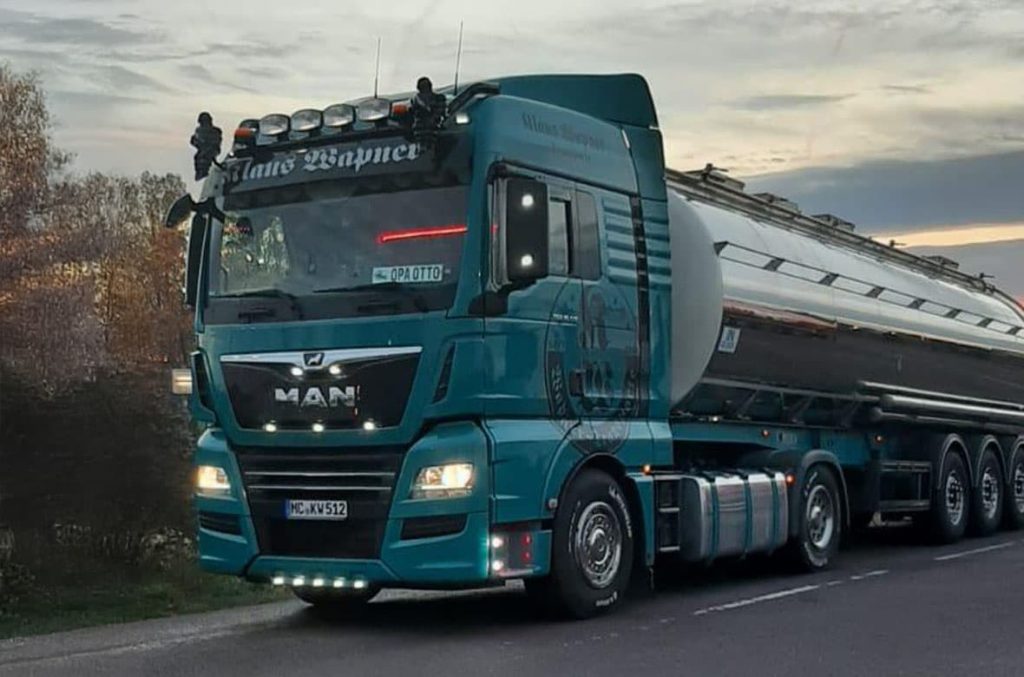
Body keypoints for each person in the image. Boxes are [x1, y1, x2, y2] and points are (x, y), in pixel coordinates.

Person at [190, 112, 222, 181]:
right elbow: (194, 141)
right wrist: (195, 142)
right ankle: (200, 175)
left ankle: (204, 174)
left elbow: (216, 143)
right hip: (203, 152)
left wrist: (208, 149)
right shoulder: (199, 130)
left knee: (203, 159)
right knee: (198, 158)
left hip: (211, 151)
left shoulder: (215, 131)